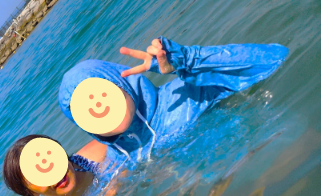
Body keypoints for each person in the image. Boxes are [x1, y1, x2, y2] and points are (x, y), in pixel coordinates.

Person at [59, 37, 289, 165]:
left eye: (100, 91)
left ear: (122, 82)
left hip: (273, 152)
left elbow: (271, 60)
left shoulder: (185, 94)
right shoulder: (118, 161)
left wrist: (188, 61)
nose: (97, 105)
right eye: (83, 110)